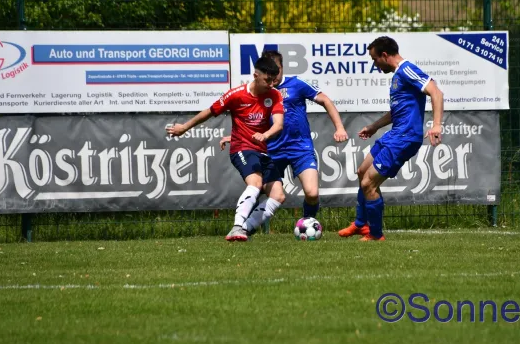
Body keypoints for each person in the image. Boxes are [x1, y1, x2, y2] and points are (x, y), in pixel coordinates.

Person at [220, 49, 348, 232]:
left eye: (277, 69)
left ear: (282, 67)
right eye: (270, 71)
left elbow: (325, 100)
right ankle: (245, 228)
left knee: (312, 193)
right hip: (271, 150)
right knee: (260, 188)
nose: (274, 75)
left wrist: (340, 127)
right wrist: (234, 137)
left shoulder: (296, 84)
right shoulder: (261, 91)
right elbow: (251, 120)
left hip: (300, 148)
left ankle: (307, 225)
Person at [166, 57, 285, 242]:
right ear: (255, 75)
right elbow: (209, 111)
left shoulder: (275, 95)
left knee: (278, 195)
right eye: (267, 80)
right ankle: (237, 226)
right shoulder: (236, 95)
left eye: (273, 80)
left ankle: (245, 229)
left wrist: (265, 135)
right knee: (255, 183)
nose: (271, 84)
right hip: (241, 148)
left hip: (262, 149)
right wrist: (184, 127)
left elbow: (278, 124)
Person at [338, 36, 444, 241]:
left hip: (405, 138)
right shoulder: (397, 76)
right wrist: (374, 126)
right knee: (362, 172)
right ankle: (361, 224)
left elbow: (436, 92)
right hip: (395, 134)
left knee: (369, 182)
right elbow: (397, 111)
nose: (374, 64)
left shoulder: (406, 70)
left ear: (384, 55)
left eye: (374, 59)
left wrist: (437, 124)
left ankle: (375, 235)